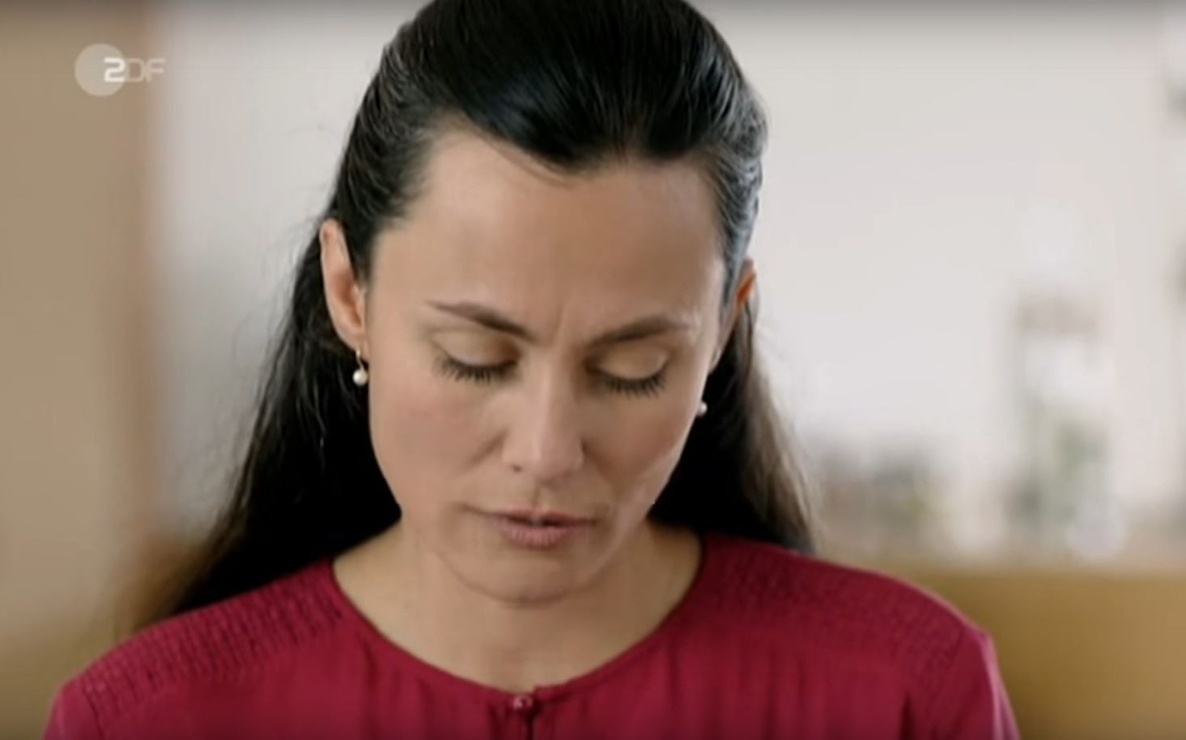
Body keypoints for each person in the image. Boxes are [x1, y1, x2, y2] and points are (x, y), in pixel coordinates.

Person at [45, 0, 1020, 738]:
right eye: (475, 358)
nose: (547, 451)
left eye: (633, 368)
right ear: (351, 295)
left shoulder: (904, 693)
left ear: (723, 330)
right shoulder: (149, 717)